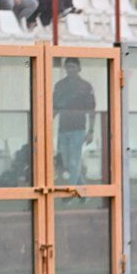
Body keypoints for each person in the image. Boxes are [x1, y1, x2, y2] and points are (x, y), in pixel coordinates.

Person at [52, 57, 96, 185]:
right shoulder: (60, 86)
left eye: (73, 67)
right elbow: (54, 108)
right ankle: (82, 191)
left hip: (78, 129)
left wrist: (91, 131)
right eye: (68, 67)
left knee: (74, 162)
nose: (70, 69)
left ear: (79, 68)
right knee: (66, 162)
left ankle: (71, 192)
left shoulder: (85, 86)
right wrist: (46, 124)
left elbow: (91, 110)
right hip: (63, 129)